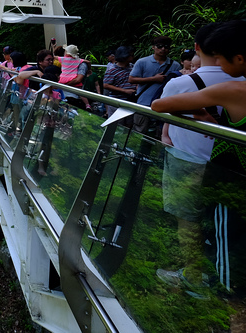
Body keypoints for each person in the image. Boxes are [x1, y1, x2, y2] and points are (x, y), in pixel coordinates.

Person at [151, 20, 246, 294]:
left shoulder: (189, 84)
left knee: (189, 219)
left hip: (193, 164)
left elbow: (159, 106)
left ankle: (195, 276)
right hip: (228, 169)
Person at [129, 35, 181, 133]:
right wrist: (154, 79)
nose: (163, 49)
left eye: (166, 47)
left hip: (164, 106)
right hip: (143, 103)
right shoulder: (142, 62)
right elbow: (131, 79)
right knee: (139, 132)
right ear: (153, 47)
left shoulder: (175, 65)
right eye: (159, 46)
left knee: (160, 135)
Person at [103, 46, 136, 118]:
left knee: (128, 124)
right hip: (117, 101)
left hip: (130, 101)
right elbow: (106, 85)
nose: (133, 57)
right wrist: (124, 91)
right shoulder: (112, 70)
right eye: (131, 55)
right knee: (117, 124)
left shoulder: (132, 67)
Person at [58, 44, 92, 110]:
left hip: (73, 91)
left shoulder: (81, 64)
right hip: (69, 89)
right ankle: (87, 104)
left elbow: (78, 80)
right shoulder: (78, 61)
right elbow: (88, 62)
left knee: (79, 92)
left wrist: (64, 85)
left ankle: (87, 105)